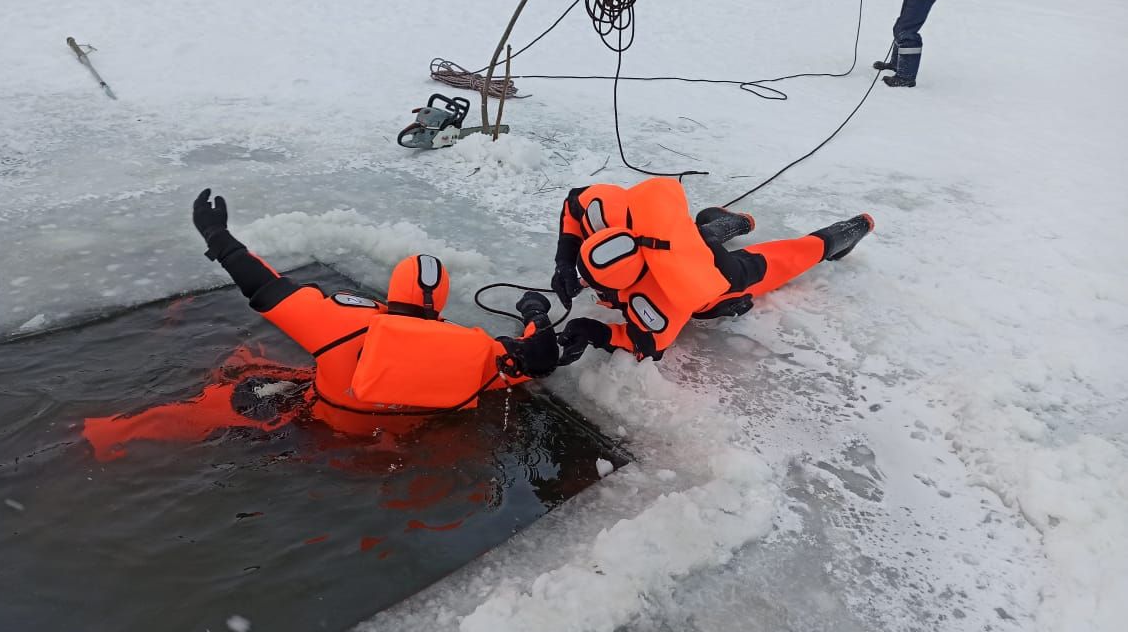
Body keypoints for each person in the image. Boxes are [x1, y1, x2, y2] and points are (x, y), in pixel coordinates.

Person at [189, 188, 559, 426]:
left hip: (323, 422)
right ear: (442, 299)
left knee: (224, 397)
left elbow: (263, 284)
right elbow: (537, 358)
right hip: (405, 444)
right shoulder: (472, 349)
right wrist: (534, 313)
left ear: (393, 288)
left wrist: (217, 236)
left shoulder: (336, 321)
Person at [550, 179, 874, 363]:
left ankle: (848, 231)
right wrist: (565, 260)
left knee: (782, 260)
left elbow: (645, 344)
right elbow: (575, 203)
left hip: (720, 275)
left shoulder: (661, 298)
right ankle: (727, 222)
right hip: (677, 239)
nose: (581, 285)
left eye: (593, 286)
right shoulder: (613, 215)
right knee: (698, 235)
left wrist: (594, 332)